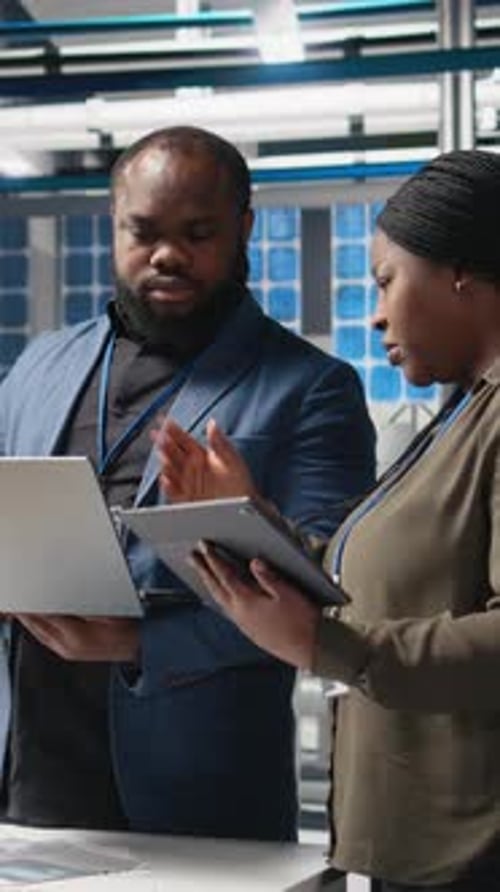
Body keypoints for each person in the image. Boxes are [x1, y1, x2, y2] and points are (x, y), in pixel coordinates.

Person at [0, 125, 375, 840]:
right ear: (112, 227)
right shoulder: (38, 367)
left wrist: (139, 642)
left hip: (200, 801)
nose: (168, 255)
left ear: (244, 230)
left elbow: (333, 608)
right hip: (29, 790)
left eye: (198, 232)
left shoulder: (312, 388)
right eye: (143, 232)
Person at [157, 149, 500, 889]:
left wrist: (330, 646)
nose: (375, 312)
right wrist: (249, 520)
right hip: (412, 849)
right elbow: (378, 579)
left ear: (461, 271)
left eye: (386, 280)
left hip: (473, 856)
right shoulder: (463, 415)